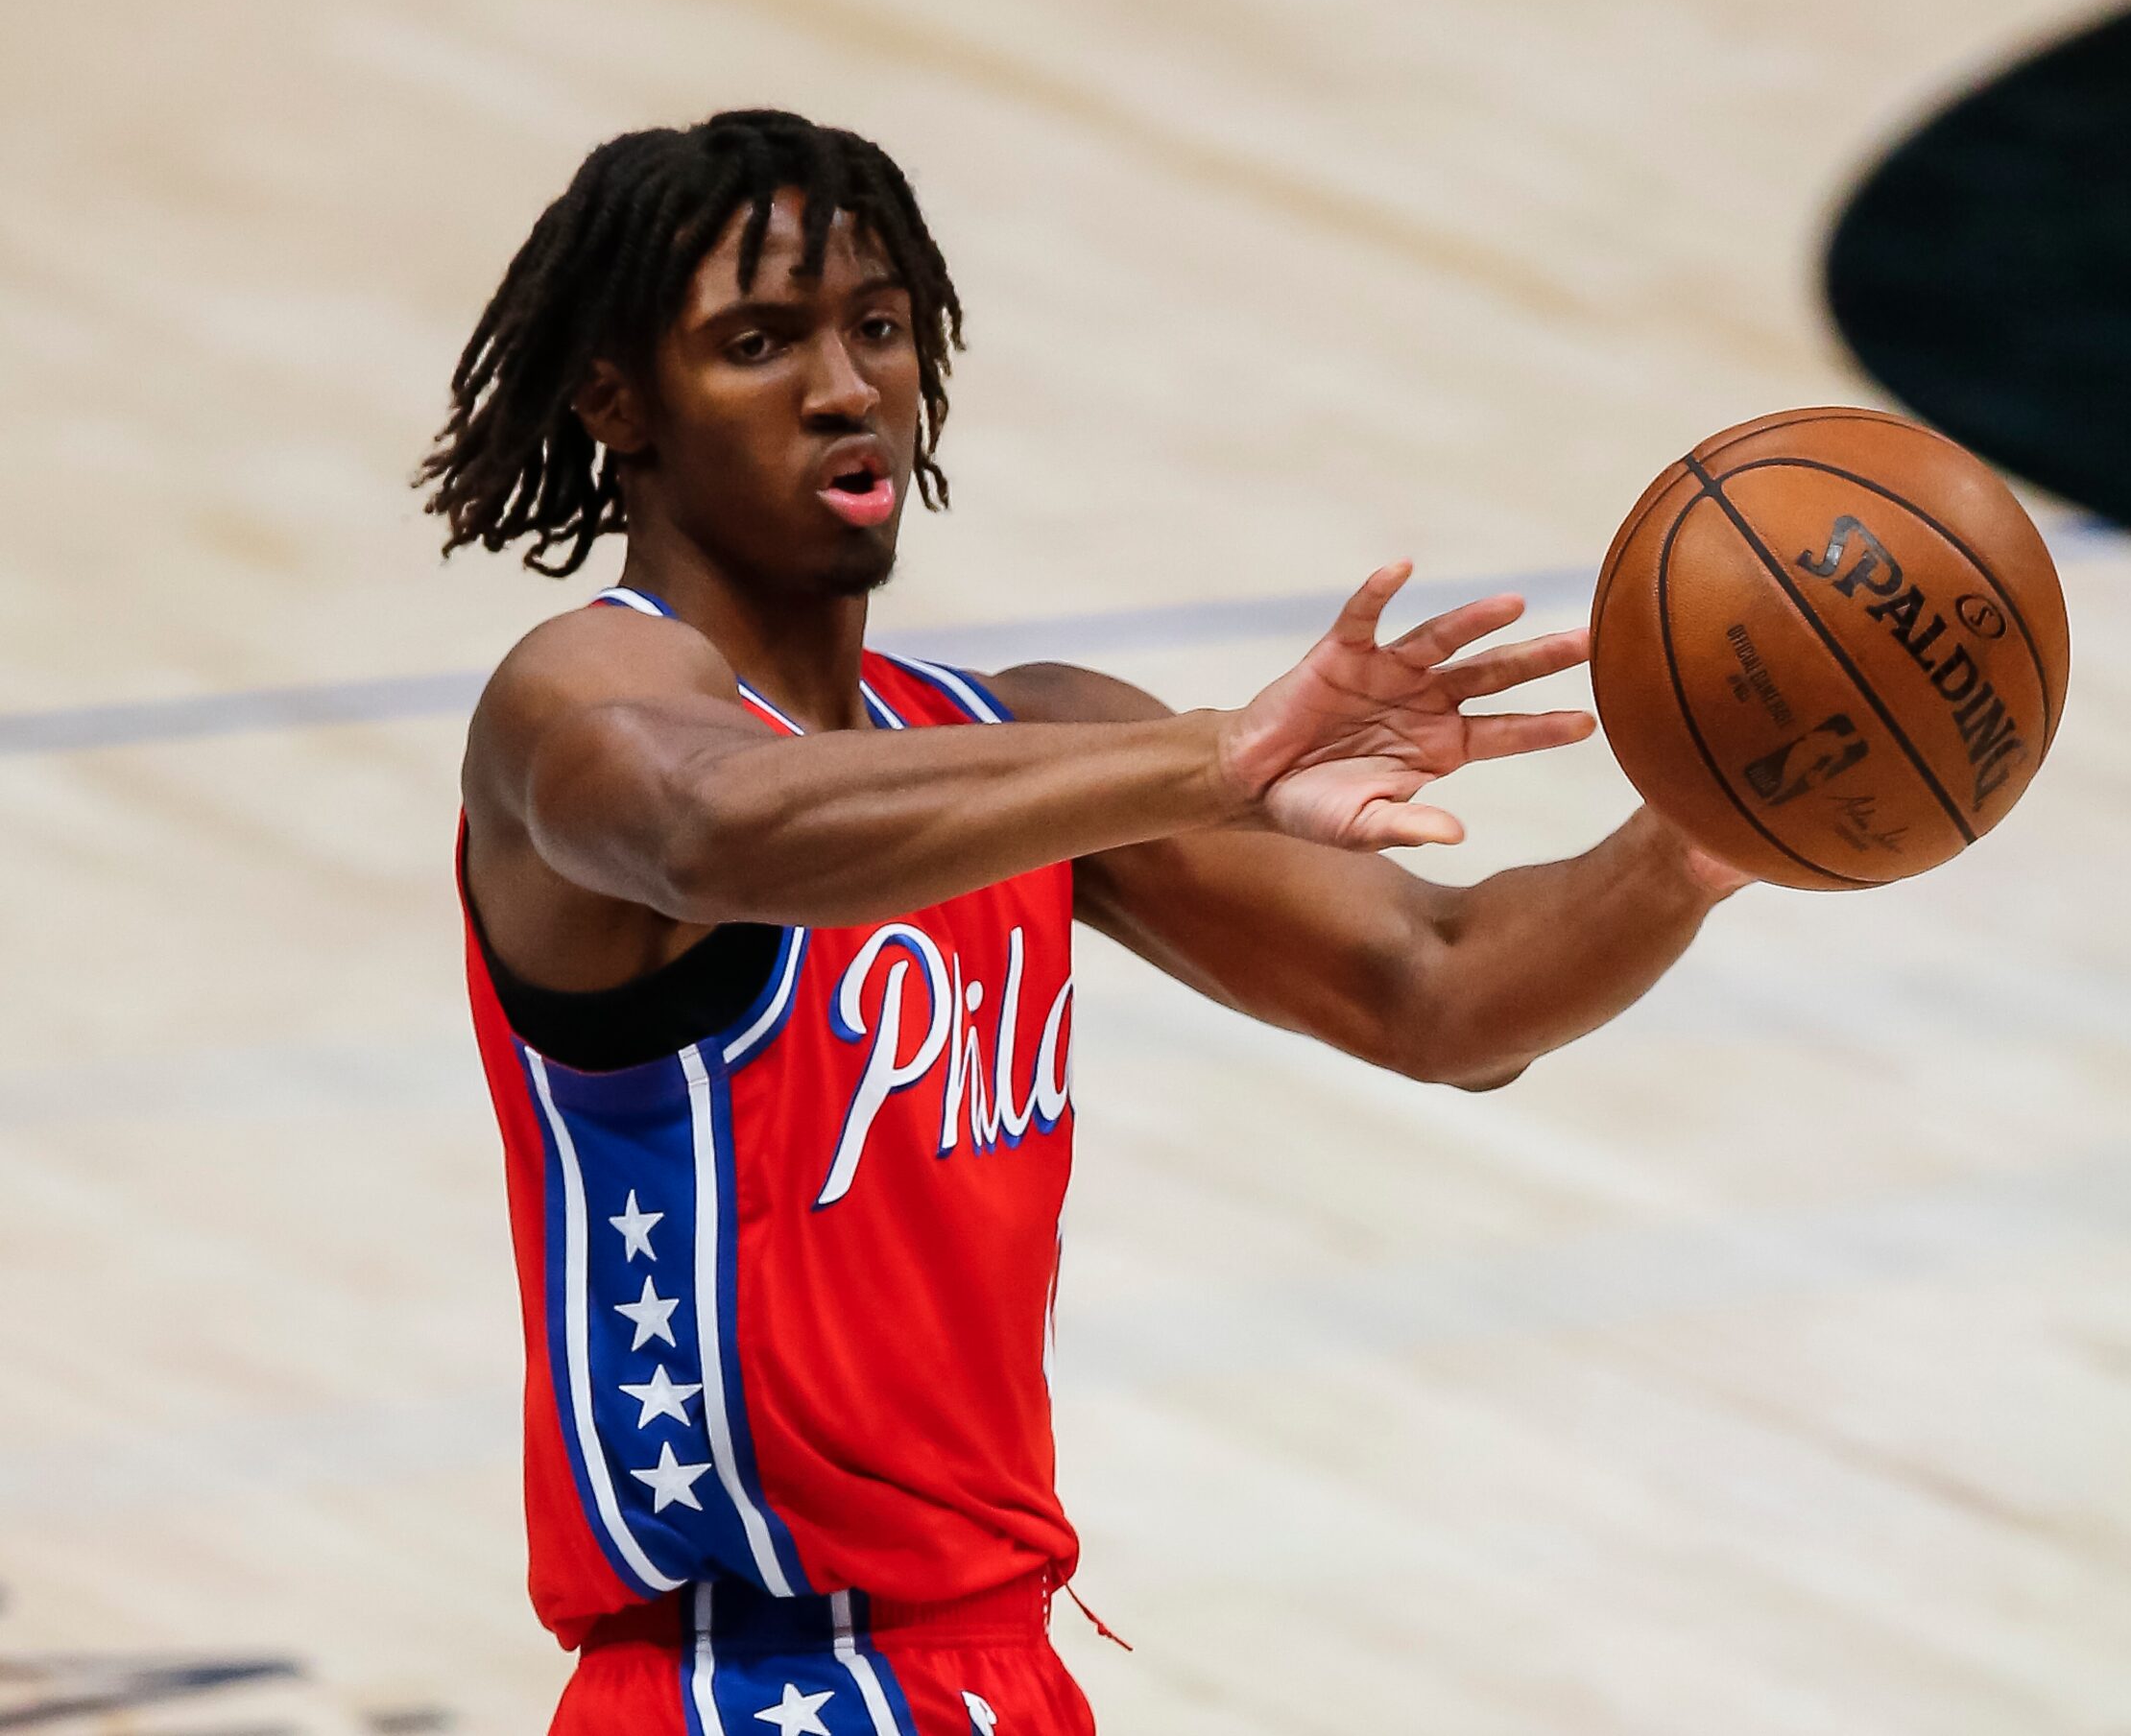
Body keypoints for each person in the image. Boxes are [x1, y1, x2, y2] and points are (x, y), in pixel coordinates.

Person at [423, 108, 1745, 1736]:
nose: (847, 386)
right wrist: (1215, 757)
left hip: (999, 1668)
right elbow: (712, 829)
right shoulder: (571, 699)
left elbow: (1447, 990)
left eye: (881, 326)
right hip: (740, 1683)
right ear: (619, 400)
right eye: (759, 342)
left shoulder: (1019, 737)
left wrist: (1700, 838)